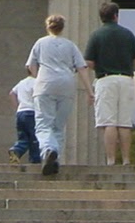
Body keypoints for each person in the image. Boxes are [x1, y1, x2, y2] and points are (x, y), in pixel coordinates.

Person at [26, 14, 93, 176]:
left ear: (48, 27)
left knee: (43, 124)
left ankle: (49, 150)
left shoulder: (40, 43)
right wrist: (90, 91)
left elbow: (31, 65)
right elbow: (82, 68)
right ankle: (55, 160)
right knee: (58, 125)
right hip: (67, 85)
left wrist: (37, 79)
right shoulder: (70, 45)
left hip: (45, 84)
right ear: (62, 27)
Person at [82, 1, 135, 166]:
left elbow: (89, 62)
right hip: (125, 78)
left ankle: (110, 160)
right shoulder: (127, 34)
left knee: (108, 122)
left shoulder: (96, 35)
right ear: (116, 15)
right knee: (124, 122)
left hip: (105, 79)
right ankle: (126, 159)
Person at [8, 73, 41, 165]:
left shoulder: (22, 82)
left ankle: (16, 150)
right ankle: (35, 160)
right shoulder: (37, 82)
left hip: (21, 112)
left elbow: (11, 93)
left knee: (23, 137)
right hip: (32, 112)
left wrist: (17, 107)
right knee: (34, 137)